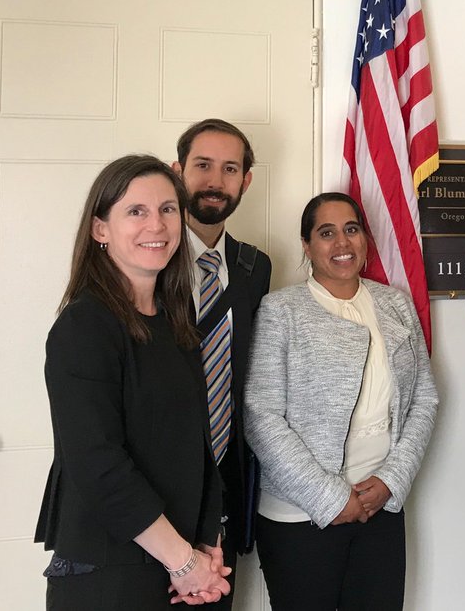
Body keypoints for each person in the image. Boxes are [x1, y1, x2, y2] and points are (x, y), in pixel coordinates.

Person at [35, 154, 231, 608]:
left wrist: (204, 546)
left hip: (174, 564)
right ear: (100, 229)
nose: (157, 225)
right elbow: (98, 465)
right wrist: (183, 562)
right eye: (136, 211)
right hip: (110, 568)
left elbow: (190, 445)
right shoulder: (83, 327)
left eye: (167, 209)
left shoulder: (174, 322)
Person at [244, 192, 439, 610]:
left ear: (365, 238)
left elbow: (424, 398)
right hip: (300, 516)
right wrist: (331, 498)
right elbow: (261, 416)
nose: (342, 243)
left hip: (380, 508)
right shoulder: (281, 311)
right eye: (326, 233)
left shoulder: (395, 305)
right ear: (307, 245)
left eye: (351, 230)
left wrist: (391, 480)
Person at [172, 119, 273, 607]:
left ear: (245, 180)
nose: (215, 180)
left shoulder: (256, 267)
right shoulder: (148, 258)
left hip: (224, 487)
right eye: (203, 165)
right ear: (178, 171)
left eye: (230, 168)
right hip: (157, 484)